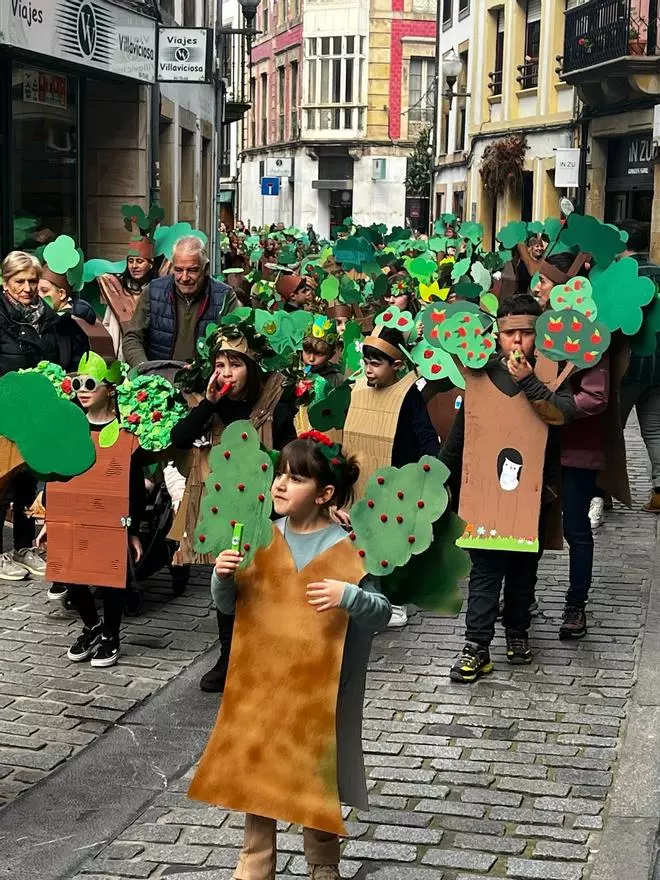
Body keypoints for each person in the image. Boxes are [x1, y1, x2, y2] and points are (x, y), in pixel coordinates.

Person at [192, 433, 391, 880]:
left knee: (315, 777)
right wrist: (222, 577)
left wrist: (350, 595)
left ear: (324, 495)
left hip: (318, 690)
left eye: (295, 478)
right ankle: (255, 863)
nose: (280, 484)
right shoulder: (262, 537)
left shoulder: (349, 548)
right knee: (258, 776)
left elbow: (381, 614)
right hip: (261, 685)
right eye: (279, 473)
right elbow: (230, 605)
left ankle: (323, 863)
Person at [443, 296, 576, 681]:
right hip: (485, 496)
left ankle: (517, 632)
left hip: (532, 497)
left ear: (540, 335)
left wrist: (528, 381)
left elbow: (559, 413)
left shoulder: (555, 375)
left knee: (522, 571)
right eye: (508, 333)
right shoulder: (479, 376)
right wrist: (435, 475)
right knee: (485, 571)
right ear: (496, 337)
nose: (517, 341)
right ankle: (476, 646)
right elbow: (461, 435)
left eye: (526, 333)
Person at [170, 321, 297, 692]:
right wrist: (209, 402)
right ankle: (228, 657)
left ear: (251, 368)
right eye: (220, 364)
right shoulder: (210, 401)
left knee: (263, 583)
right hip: (224, 505)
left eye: (235, 364)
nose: (226, 373)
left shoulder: (277, 401)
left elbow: (291, 454)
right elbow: (179, 437)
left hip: (265, 504)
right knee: (225, 579)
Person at [37, 358, 145, 667]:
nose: (81, 391)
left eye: (89, 384)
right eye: (77, 384)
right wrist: (50, 518)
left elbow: (133, 483)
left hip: (110, 517)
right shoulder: (70, 426)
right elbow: (55, 473)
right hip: (73, 513)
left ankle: (111, 634)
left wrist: (132, 528)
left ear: (110, 390)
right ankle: (91, 625)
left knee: (110, 574)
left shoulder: (125, 432)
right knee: (69, 571)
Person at [343, 326, 440, 628]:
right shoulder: (358, 389)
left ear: (396, 366)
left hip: (397, 480)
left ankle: (396, 601)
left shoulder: (408, 395)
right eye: (366, 362)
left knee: (394, 543)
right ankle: (365, 593)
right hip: (362, 480)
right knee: (363, 537)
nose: (368, 370)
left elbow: (425, 434)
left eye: (376, 363)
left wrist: (428, 472)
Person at [0, 251, 63, 581]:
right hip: (5, 411)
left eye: (33, 281)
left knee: (27, 480)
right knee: (1, 483)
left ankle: (24, 547)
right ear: (6, 282)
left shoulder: (46, 316)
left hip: (37, 413)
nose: (27, 288)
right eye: (19, 281)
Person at [122, 236, 239, 367]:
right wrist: (144, 368)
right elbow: (132, 337)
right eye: (178, 270)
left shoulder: (224, 296)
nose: (184, 278)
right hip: (158, 378)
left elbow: (235, 343)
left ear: (205, 268)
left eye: (192, 270)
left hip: (206, 380)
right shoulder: (154, 291)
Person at [614, 219, 660, 514]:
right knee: (655, 430)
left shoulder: (617, 275)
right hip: (659, 365)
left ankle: (602, 490)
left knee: (611, 429)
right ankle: (659, 492)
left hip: (626, 366)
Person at [302, 316, 343, 388]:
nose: (311, 359)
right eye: (307, 351)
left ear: (331, 354)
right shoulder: (294, 370)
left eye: (319, 353)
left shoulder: (335, 379)